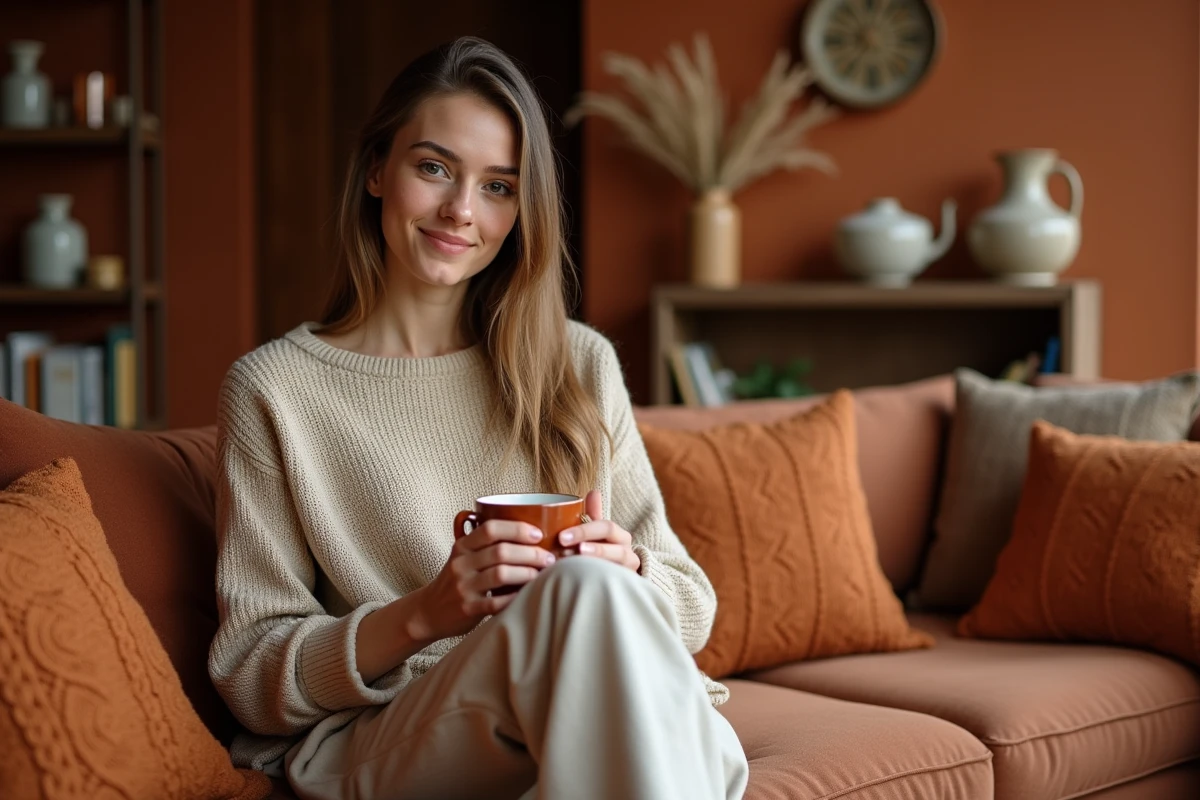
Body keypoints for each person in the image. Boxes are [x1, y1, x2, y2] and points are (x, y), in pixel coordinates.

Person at [208, 35, 749, 800]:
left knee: (595, 596)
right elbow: (252, 673)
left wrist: (629, 568)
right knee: (594, 617)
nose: (462, 210)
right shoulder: (275, 391)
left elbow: (691, 610)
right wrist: (424, 613)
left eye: (498, 187)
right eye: (434, 168)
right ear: (375, 171)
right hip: (399, 729)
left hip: (589, 705)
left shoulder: (578, 364)